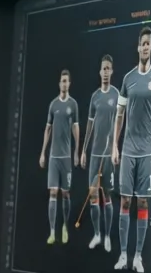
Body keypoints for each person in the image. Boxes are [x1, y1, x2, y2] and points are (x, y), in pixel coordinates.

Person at [112, 26, 151, 273]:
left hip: (146, 152)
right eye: (142, 43)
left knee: (143, 203)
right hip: (128, 150)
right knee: (125, 202)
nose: (145, 47)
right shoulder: (127, 79)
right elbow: (119, 115)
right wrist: (114, 145)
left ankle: (138, 257)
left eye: (149, 43)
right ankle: (123, 255)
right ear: (138, 47)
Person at [82, 54, 119, 250]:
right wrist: (83, 151)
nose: (105, 72)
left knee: (107, 197)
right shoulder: (94, 97)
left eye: (108, 68)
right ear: (99, 71)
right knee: (93, 195)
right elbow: (89, 126)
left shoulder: (116, 94)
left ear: (112, 71)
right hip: (95, 154)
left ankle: (107, 236)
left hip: (108, 156)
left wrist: (115, 148)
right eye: (102, 68)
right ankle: (96, 234)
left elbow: (119, 126)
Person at [39, 70, 80, 244]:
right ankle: (52, 231)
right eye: (62, 81)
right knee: (53, 192)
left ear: (69, 84)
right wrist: (43, 152)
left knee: (66, 194)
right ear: (59, 84)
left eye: (66, 81)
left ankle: (64, 226)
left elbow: (76, 129)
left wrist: (77, 151)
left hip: (66, 157)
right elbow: (48, 128)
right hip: (54, 157)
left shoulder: (73, 104)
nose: (64, 84)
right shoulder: (53, 105)